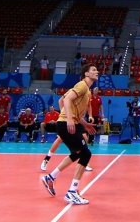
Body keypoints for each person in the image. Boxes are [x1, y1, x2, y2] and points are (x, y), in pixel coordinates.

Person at [41, 65, 99, 205]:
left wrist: (85, 124)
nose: (96, 72)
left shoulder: (88, 92)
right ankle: (72, 192)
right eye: (93, 70)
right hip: (65, 124)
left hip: (73, 123)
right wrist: (68, 119)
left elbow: (74, 110)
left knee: (77, 154)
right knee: (86, 154)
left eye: (97, 70)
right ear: (86, 73)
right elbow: (65, 100)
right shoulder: (82, 86)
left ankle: (51, 177)